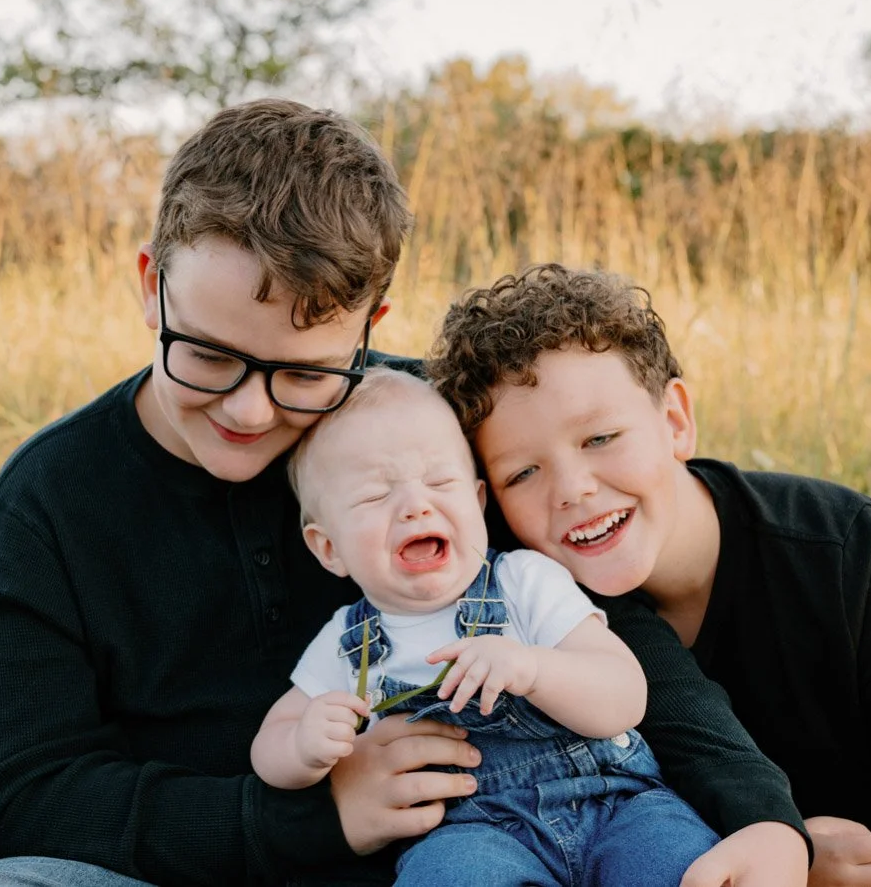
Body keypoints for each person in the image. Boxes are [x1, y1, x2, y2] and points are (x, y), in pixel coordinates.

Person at [0, 98, 807, 887]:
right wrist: (313, 818)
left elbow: (615, 639)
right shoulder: (47, 503)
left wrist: (765, 819)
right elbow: (28, 797)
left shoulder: (419, 431)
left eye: (306, 373)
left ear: (370, 323)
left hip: (487, 852)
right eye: (207, 355)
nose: (248, 408)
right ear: (151, 284)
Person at [427, 262, 871, 886]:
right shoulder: (519, 606)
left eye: (600, 438)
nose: (572, 490)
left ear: (675, 420)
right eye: (522, 474)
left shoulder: (844, 552)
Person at [254, 369, 717, 885]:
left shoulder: (523, 581)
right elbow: (270, 741)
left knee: (678, 863)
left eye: (439, 481)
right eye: (373, 496)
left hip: (613, 804)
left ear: (477, 501)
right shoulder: (350, 642)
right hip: (468, 834)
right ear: (329, 548)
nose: (416, 505)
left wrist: (534, 669)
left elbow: (624, 695)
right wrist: (303, 748)